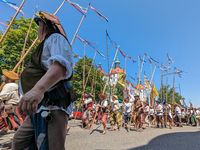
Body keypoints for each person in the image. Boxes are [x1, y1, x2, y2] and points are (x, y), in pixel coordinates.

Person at [12, 11, 76, 150]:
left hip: (52, 105)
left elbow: (60, 67)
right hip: (39, 106)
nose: (38, 30)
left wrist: (38, 90)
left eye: (39, 25)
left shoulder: (55, 38)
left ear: (45, 26)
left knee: (50, 147)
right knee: (20, 143)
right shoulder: (45, 44)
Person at [0, 70, 23, 134]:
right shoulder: (15, 84)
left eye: (5, 76)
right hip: (14, 104)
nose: (3, 77)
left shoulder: (8, 86)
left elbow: (2, 96)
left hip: (11, 105)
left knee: (15, 121)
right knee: (13, 120)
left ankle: (20, 134)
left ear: (9, 78)